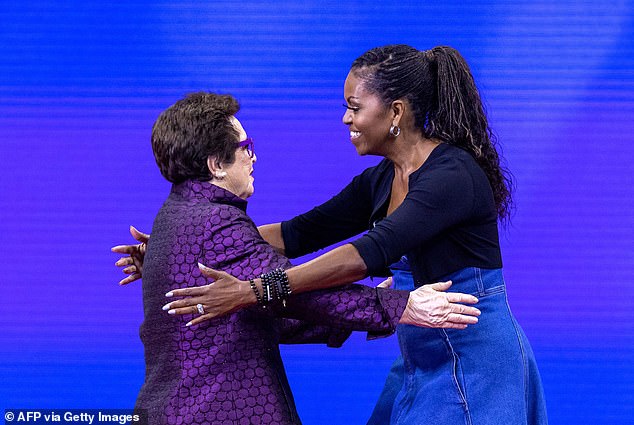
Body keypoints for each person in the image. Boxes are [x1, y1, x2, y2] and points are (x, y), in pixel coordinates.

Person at [156, 45, 548, 424]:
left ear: (396, 111)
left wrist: (256, 289)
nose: (346, 118)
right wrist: (183, 247)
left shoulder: (451, 176)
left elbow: (366, 255)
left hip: (473, 358)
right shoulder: (383, 178)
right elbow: (297, 233)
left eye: (354, 108)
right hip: (422, 356)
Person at [114, 91, 482, 425]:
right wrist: (400, 305)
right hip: (216, 410)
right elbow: (294, 291)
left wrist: (368, 313)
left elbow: (258, 313)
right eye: (246, 146)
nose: (253, 156)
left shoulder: (173, 218)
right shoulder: (216, 221)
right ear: (216, 165)